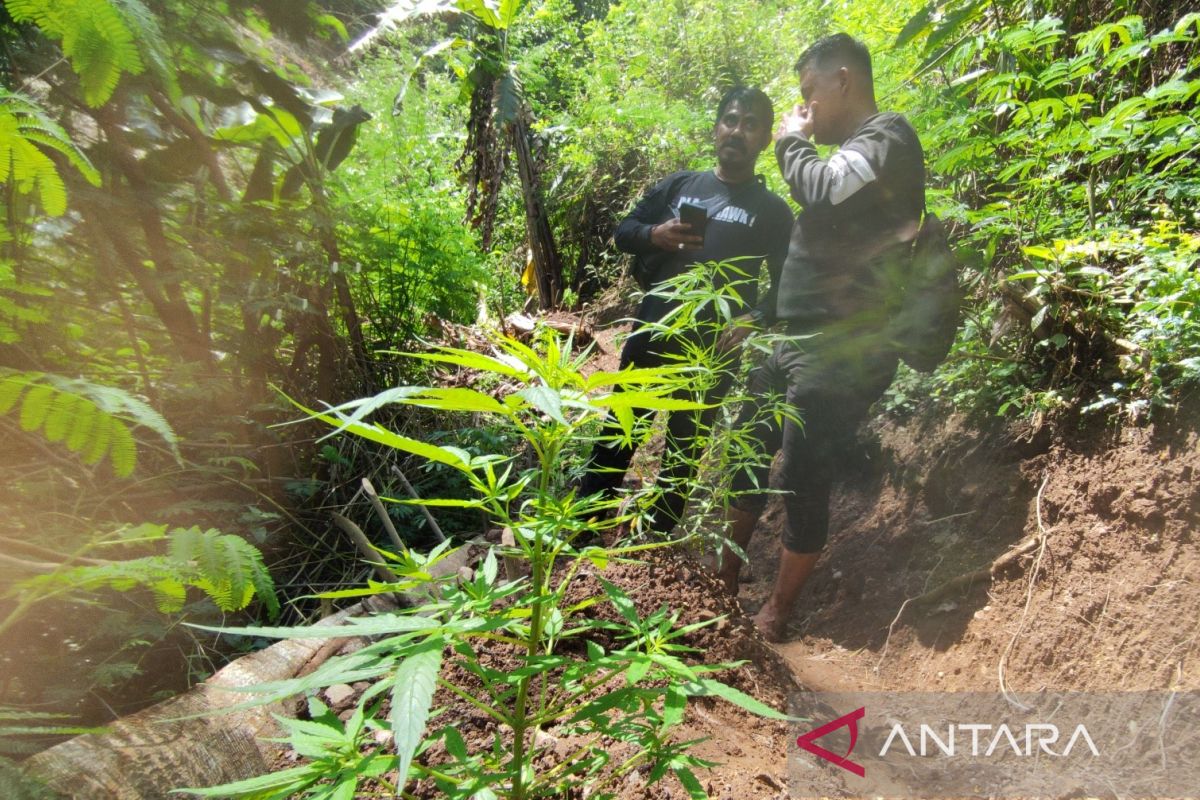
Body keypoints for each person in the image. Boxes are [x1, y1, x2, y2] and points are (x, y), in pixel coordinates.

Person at [714, 34, 926, 642]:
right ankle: (723, 582)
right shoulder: (857, 149)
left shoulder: (888, 136)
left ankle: (776, 615)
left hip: (841, 345)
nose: (804, 108)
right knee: (748, 457)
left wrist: (787, 139)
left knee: (803, 474)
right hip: (789, 337)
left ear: (842, 79)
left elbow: (823, 188)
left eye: (808, 94)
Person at [579, 86, 793, 535]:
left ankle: (655, 540)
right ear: (716, 128)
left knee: (686, 442)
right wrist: (655, 233)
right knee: (621, 427)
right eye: (731, 120)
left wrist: (753, 319)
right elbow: (624, 231)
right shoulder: (678, 185)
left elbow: (788, 280)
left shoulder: (772, 212)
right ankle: (583, 523)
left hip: (714, 348)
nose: (737, 131)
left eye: (750, 124)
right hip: (654, 326)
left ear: (766, 139)